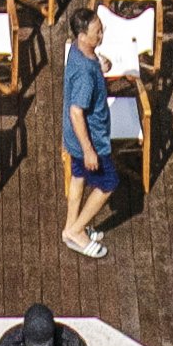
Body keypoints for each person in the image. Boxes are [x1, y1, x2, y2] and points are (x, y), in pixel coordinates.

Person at [56, 32, 126, 260]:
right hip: (90, 138)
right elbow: (77, 111)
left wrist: (100, 67)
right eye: (97, 32)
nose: (102, 34)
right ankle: (77, 231)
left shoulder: (77, 52)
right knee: (108, 182)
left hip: (72, 136)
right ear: (83, 35)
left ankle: (69, 229)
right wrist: (89, 150)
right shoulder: (86, 74)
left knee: (78, 176)